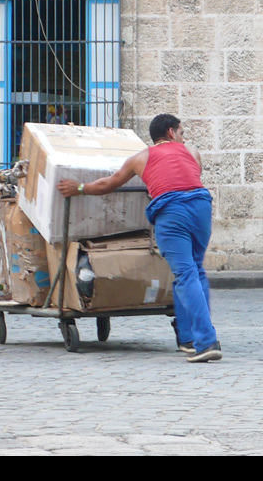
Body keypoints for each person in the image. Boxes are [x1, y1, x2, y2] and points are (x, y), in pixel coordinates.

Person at [57, 114, 222, 363]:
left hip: (171, 212)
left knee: (185, 274)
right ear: (170, 132)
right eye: (181, 132)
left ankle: (206, 342)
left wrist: (79, 188)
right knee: (194, 271)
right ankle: (188, 339)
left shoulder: (140, 158)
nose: (183, 137)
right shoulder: (191, 151)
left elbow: (108, 184)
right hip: (200, 207)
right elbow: (188, 177)